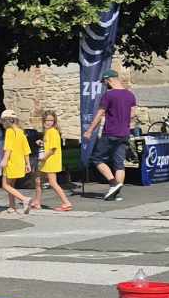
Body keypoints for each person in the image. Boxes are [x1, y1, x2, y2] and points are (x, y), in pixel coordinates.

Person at [85, 71, 140, 201]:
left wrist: (89, 130)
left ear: (108, 80)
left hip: (110, 133)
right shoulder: (130, 95)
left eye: (104, 82)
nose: (104, 85)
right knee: (119, 164)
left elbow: (100, 114)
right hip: (124, 133)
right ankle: (117, 193)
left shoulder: (108, 96)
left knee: (96, 159)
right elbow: (132, 115)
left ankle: (113, 184)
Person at [34, 110, 74, 212]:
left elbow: (53, 149)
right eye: (47, 120)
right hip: (46, 160)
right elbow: (48, 145)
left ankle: (66, 203)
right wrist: (41, 143)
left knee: (52, 182)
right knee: (38, 180)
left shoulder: (53, 132)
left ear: (54, 121)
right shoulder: (48, 132)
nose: (49, 122)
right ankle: (37, 202)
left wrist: (43, 157)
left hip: (50, 161)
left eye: (51, 120)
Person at [0, 110, 34, 215]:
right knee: (11, 185)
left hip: (11, 161)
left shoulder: (9, 131)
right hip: (20, 162)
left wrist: (4, 160)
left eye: (4, 121)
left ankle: (24, 199)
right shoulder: (20, 132)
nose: (3, 124)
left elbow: (8, 148)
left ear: (9, 121)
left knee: (5, 185)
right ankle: (12, 206)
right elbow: (26, 149)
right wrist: (27, 164)